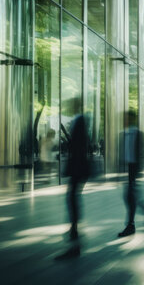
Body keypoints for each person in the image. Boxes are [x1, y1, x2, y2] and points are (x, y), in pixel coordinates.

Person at [56, 102, 91, 259]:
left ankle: (74, 238)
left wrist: (68, 138)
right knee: (72, 199)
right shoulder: (80, 121)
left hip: (78, 167)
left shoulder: (80, 121)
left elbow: (78, 146)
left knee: (72, 199)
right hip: (78, 167)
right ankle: (74, 232)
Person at [118, 111, 144, 237]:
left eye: (127, 118)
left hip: (134, 169)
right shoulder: (123, 134)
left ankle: (131, 225)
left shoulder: (139, 134)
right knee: (131, 196)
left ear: (133, 119)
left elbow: (141, 153)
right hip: (128, 168)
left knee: (129, 196)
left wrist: (138, 170)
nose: (125, 121)